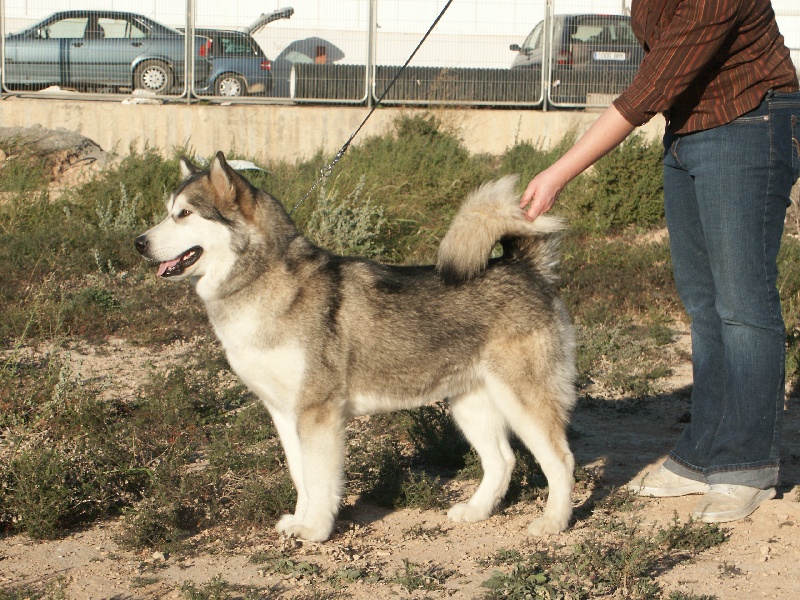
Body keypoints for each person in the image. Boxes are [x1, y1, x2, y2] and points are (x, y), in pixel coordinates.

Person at [520, 0, 800, 523]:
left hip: (749, 121)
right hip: (688, 130)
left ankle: (747, 465)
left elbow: (651, 87)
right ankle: (703, 453)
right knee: (703, 304)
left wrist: (558, 173)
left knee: (742, 304)